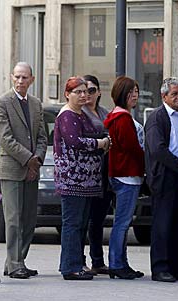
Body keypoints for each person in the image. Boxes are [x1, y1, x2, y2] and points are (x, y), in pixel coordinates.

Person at [0, 62, 48, 279]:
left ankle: (16, 261)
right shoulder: (2, 102)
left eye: (24, 77)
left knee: (28, 219)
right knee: (14, 218)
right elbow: (5, 138)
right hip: (13, 168)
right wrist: (28, 159)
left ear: (32, 80)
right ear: (11, 77)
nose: (20, 81)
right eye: (17, 77)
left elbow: (42, 137)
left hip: (32, 169)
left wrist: (38, 159)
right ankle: (15, 264)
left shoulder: (36, 104)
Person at [54, 77, 110, 280]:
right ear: (67, 94)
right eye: (78, 92)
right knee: (72, 223)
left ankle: (77, 263)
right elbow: (75, 141)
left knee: (82, 224)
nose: (83, 95)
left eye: (85, 91)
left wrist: (103, 140)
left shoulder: (83, 115)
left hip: (88, 181)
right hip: (72, 180)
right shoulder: (67, 115)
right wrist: (100, 144)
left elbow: (98, 132)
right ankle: (70, 267)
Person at [145, 77, 178, 283]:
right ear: (164, 96)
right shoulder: (158, 117)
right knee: (163, 224)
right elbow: (158, 149)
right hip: (166, 175)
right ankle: (160, 267)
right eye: (174, 94)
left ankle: (176, 264)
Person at [103, 76, 145, 280]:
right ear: (122, 94)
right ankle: (117, 264)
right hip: (127, 175)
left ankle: (121, 263)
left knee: (123, 221)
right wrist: (146, 163)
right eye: (130, 92)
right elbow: (132, 148)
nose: (135, 95)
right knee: (122, 222)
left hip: (122, 174)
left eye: (136, 91)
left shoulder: (117, 116)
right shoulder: (123, 119)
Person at [80, 74, 112, 275]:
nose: (88, 95)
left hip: (104, 172)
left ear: (99, 92)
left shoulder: (104, 113)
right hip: (85, 173)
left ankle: (98, 260)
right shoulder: (78, 114)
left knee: (98, 219)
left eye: (92, 90)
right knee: (83, 220)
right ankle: (79, 260)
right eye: (84, 90)